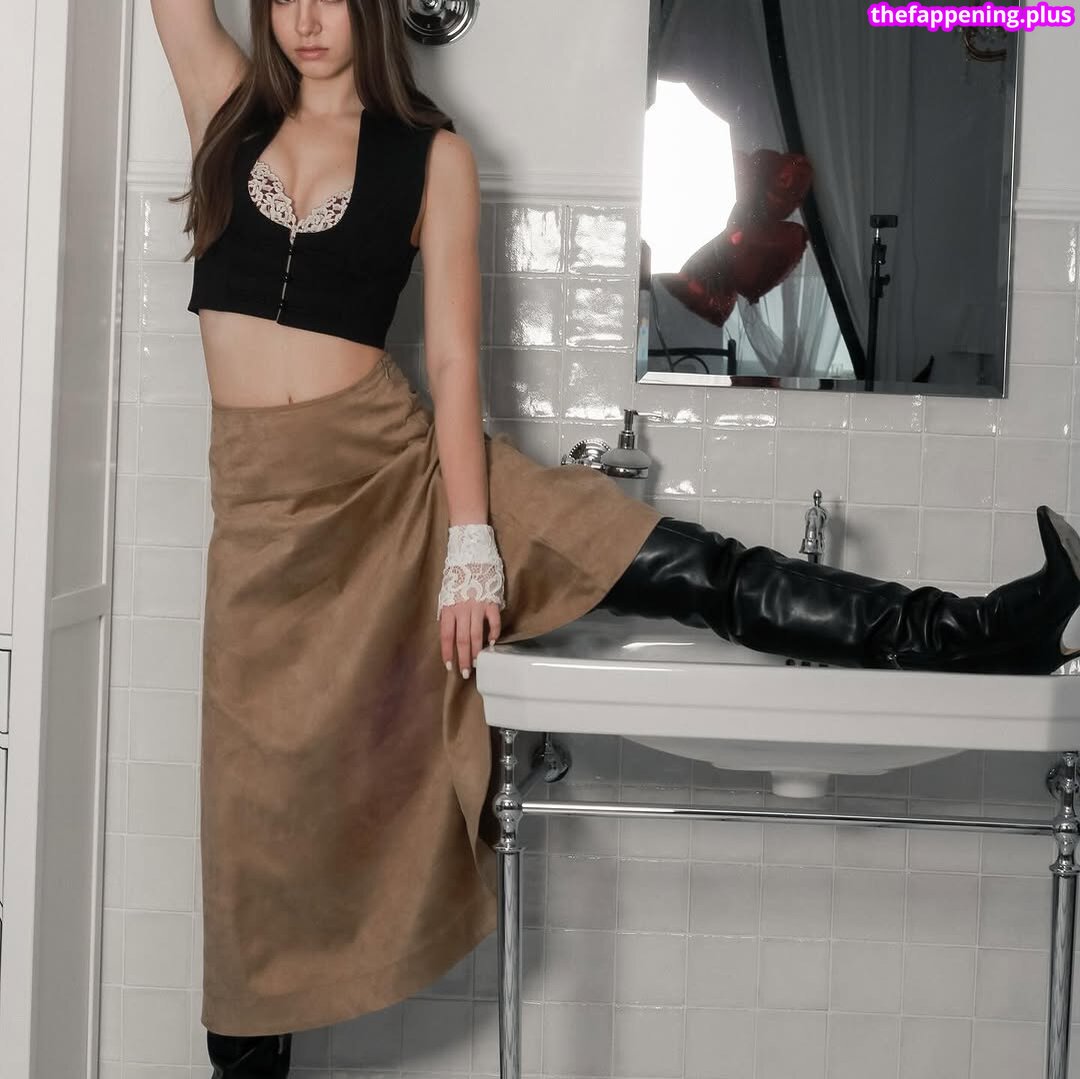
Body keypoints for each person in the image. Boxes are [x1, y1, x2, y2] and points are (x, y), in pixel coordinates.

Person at [151, 1, 1080, 1075]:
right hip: (264, 527)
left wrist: (470, 544)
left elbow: (452, 362)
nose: (305, 18)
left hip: (398, 476)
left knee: (682, 564)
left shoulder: (431, 157)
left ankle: (970, 630)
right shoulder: (229, 110)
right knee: (254, 837)